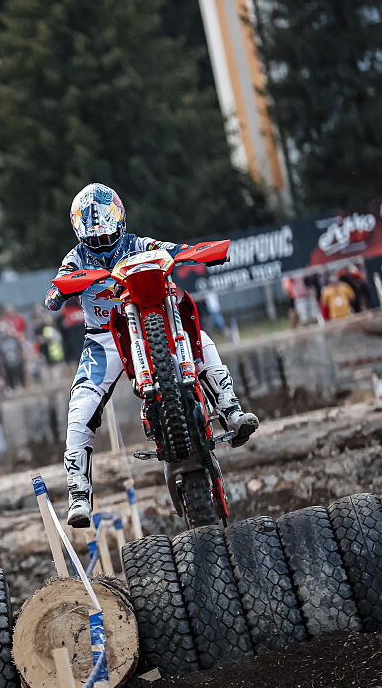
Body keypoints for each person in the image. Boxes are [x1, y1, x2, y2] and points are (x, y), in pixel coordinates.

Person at [44, 183, 259, 527]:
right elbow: (57, 287)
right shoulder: (76, 258)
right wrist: (59, 291)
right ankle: (79, 491)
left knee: (200, 338)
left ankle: (231, 409)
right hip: (105, 337)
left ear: (121, 222)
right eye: (94, 240)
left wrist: (193, 253)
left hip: (152, 316)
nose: (101, 245)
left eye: (107, 236)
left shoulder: (138, 244)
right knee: (80, 404)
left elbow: (174, 249)